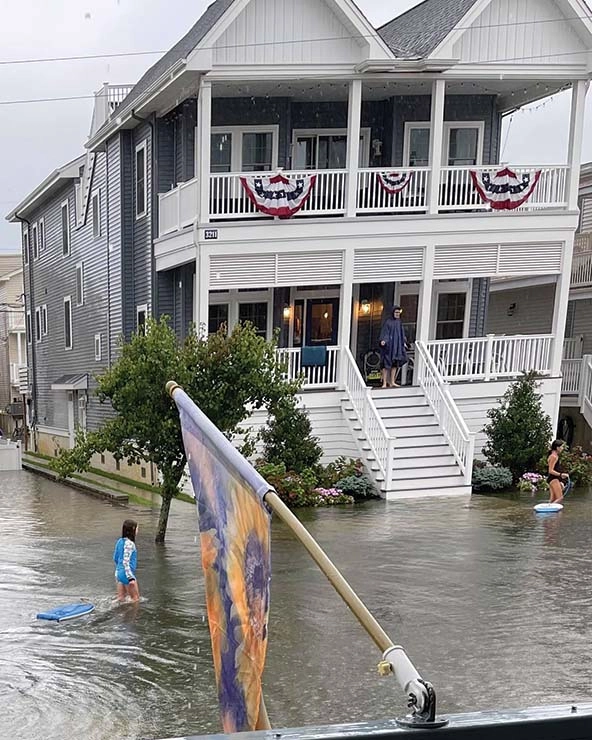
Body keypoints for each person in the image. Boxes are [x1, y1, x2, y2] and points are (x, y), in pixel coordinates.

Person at [379, 306, 408, 388]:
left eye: (399, 313)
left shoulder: (399, 323)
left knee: (394, 365)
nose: (397, 314)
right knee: (385, 365)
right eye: (396, 313)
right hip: (389, 347)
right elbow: (385, 333)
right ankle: (384, 383)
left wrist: (404, 342)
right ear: (393, 313)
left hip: (397, 347)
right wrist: (384, 340)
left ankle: (392, 382)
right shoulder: (388, 322)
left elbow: (402, 334)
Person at [113, 519, 140, 602]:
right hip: (126, 574)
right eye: (137, 528)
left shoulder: (120, 541)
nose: (138, 531)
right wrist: (130, 577)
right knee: (135, 599)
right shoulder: (130, 544)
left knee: (121, 598)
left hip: (118, 573)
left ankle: (119, 614)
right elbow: (126, 562)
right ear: (133, 529)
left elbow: (115, 558)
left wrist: (119, 571)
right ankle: (133, 615)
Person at [547, 439, 569, 504]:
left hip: (553, 479)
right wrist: (561, 474)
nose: (562, 448)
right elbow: (550, 470)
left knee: (553, 499)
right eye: (561, 447)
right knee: (560, 498)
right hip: (553, 479)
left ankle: (549, 512)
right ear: (557, 447)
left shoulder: (554, 455)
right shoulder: (553, 456)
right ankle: (548, 510)